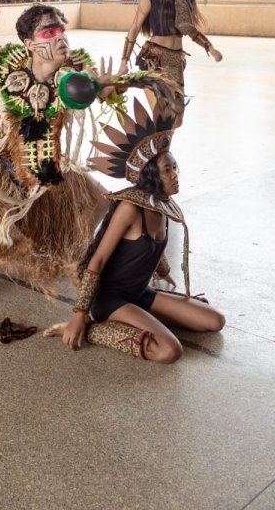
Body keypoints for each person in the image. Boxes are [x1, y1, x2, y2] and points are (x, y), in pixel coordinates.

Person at [0, 4, 178, 315]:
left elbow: (100, 92)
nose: (60, 37)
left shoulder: (76, 74)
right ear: (30, 44)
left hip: (44, 159)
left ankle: (86, 259)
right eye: (49, 32)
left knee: (100, 203)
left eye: (61, 30)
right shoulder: (6, 72)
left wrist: (110, 88)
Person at [44, 101, 224, 361]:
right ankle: (93, 329)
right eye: (166, 169)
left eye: (175, 167)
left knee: (214, 320)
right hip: (110, 299)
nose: (174, 174)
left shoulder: (161, 204)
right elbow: (98, 261)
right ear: (151, 174)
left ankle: (140, 318)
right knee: (168, 351)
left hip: (140, 293)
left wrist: (162, 271)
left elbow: (149, 245)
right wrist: (78, 315)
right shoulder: (130, 207)